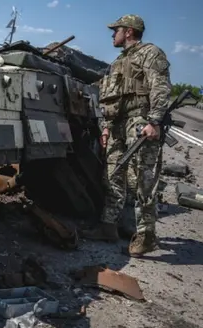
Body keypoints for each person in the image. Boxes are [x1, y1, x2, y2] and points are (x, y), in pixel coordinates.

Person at [82, 14, 172, 257]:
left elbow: (160, 88)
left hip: (140, 121)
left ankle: (146, 235)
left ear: (129, 31)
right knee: (112, 174)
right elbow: (112, 98)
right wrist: (106, 127)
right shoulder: (120, 61)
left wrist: (154, 121)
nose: (113, 34)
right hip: (118, 125)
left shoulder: (150, 53)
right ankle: (108, 226)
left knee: (142, 179)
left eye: (117, 30)